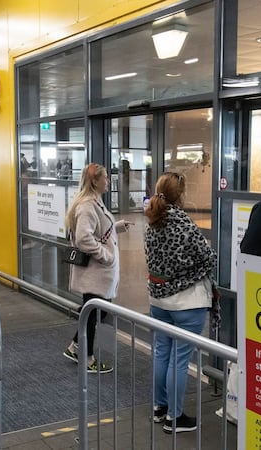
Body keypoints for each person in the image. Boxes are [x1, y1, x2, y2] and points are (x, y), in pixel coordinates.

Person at [144, 172, 216, 434]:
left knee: (162, 352)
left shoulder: (152, 221)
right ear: (181, 195)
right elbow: (207, 258)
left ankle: (159, 407)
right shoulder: (183, 223)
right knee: (180, 359)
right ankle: (175, 418)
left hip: (158, 300)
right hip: (186, 303)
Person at [61, 163, 132, 374]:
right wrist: (106, 256)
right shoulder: (87, 206)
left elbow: (96, 229)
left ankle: (76, 347)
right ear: (95, 181)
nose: (108, 181)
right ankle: (87, 357)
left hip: (97, 273)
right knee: (94, 313)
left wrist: (115, 226)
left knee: (94, 313)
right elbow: (84, 238)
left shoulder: (94, 203)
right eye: (105, 178)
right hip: (95, 272)